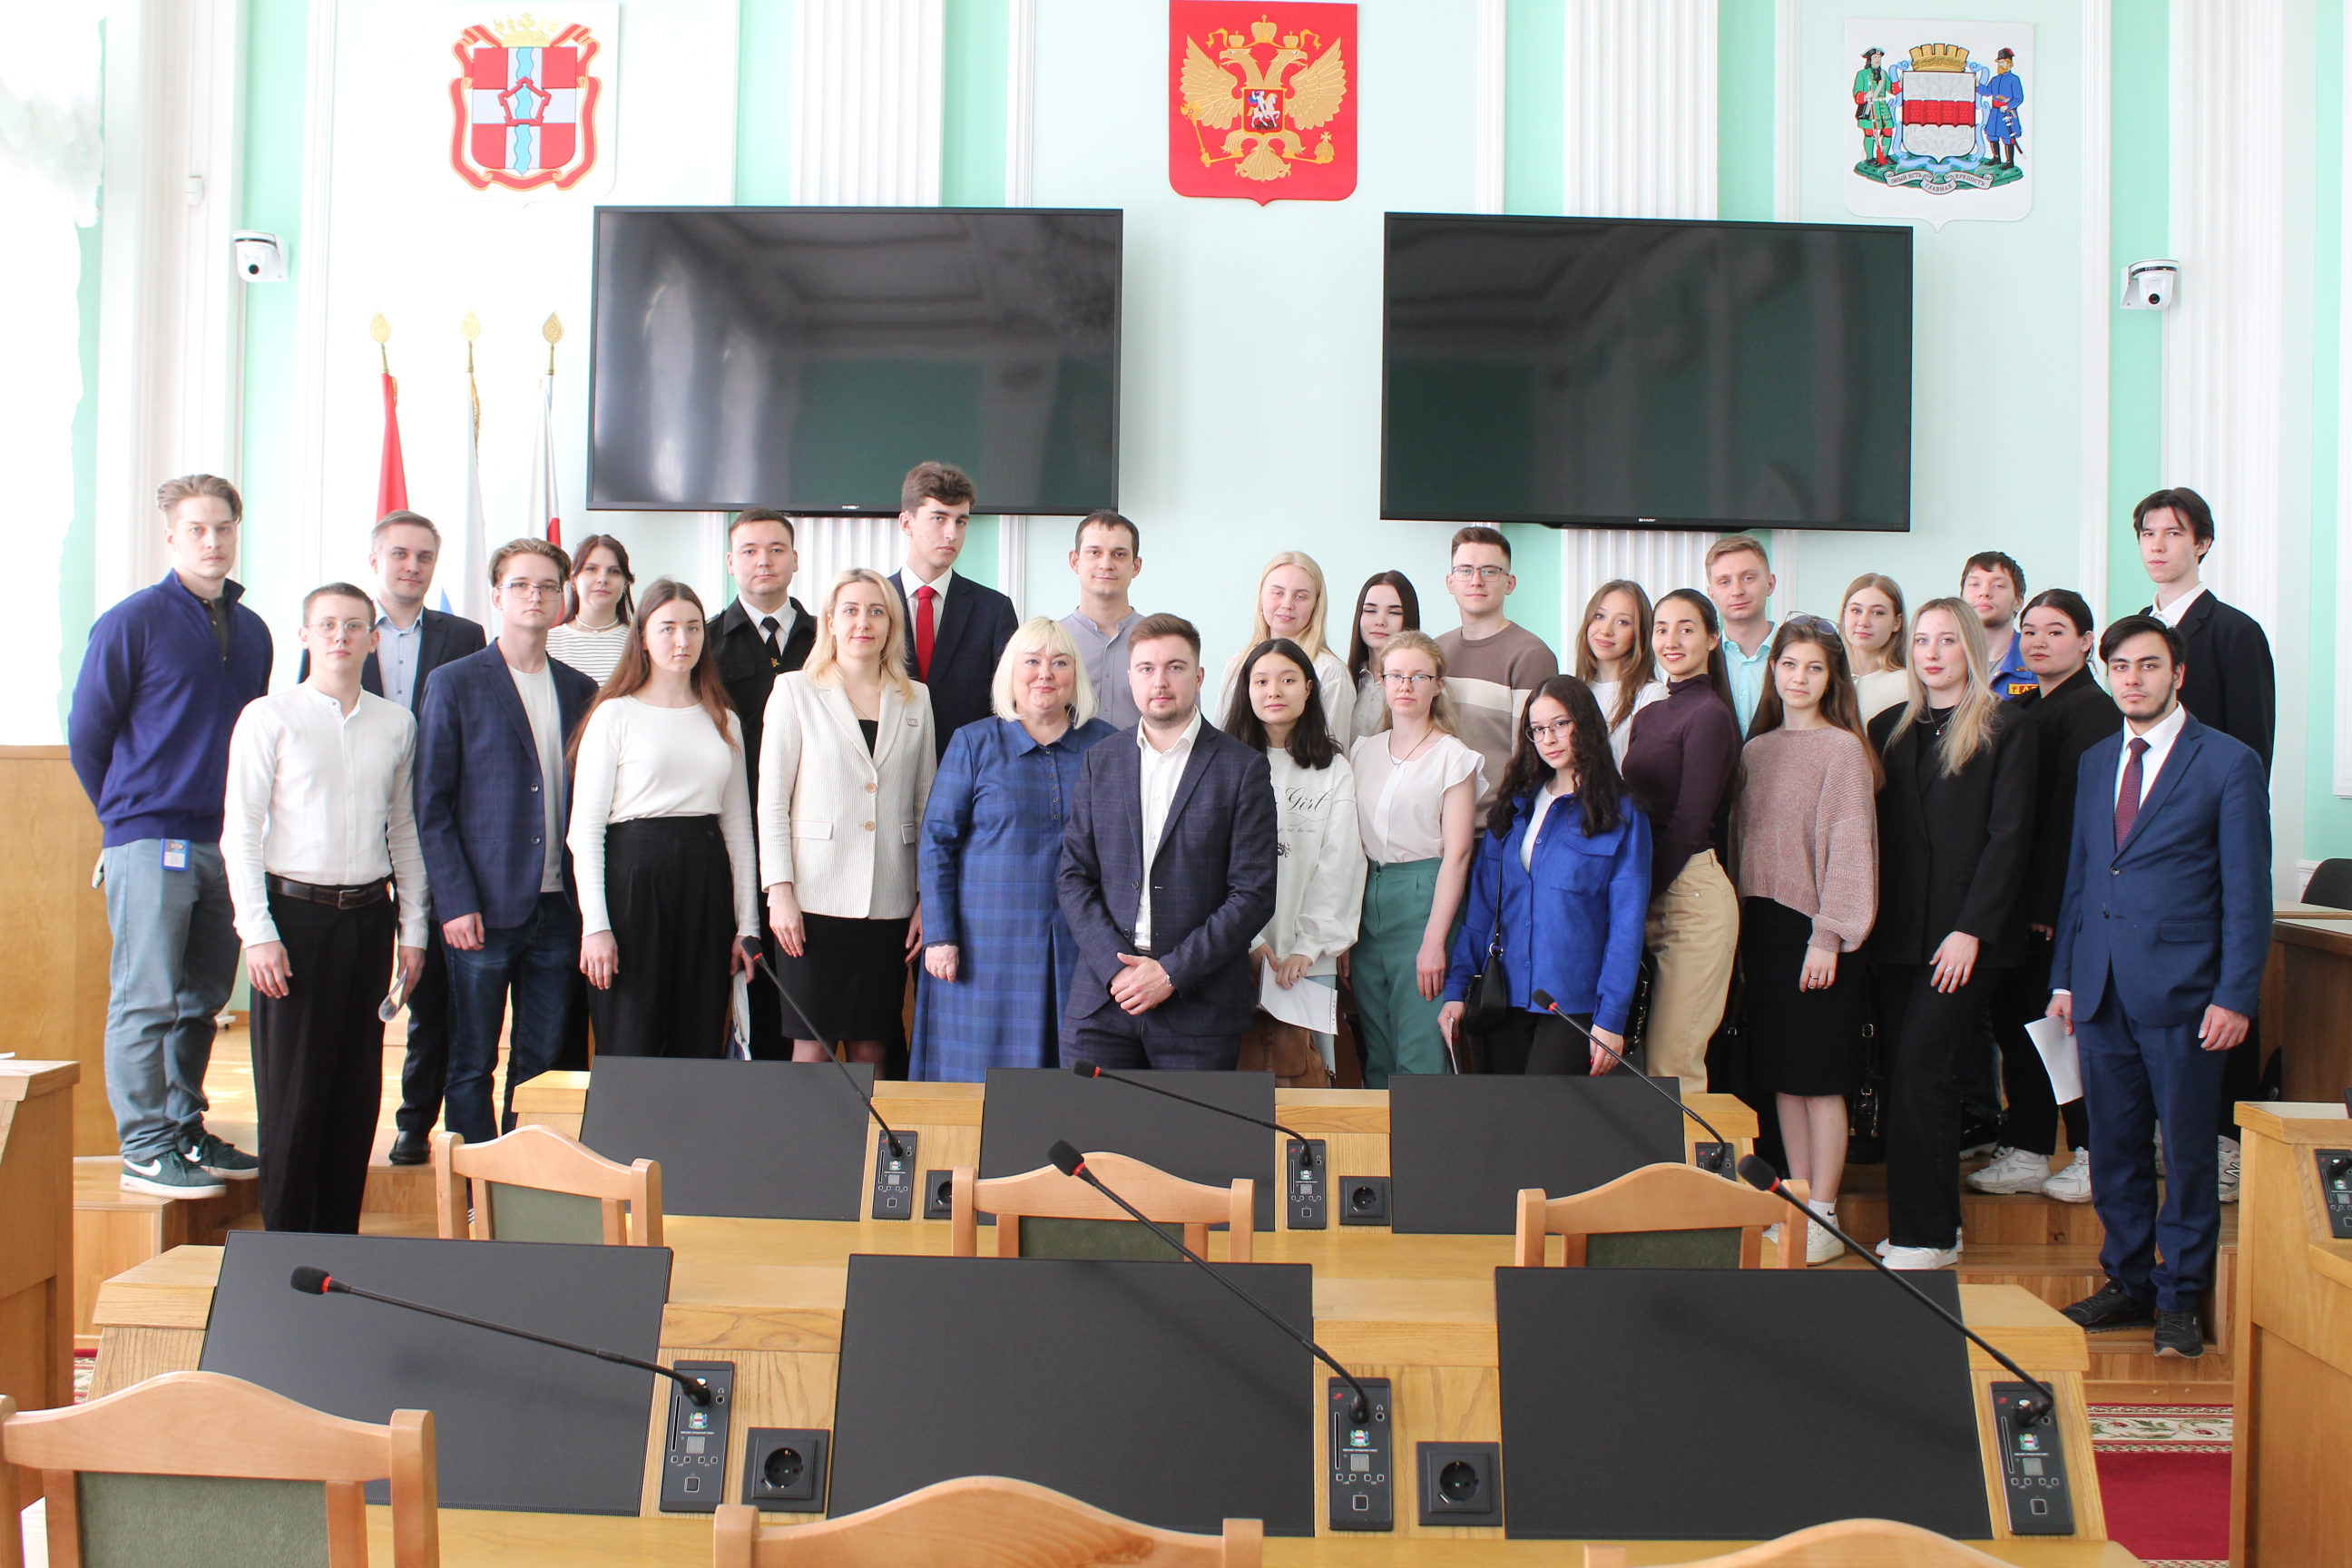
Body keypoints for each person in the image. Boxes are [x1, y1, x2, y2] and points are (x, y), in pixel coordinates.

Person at [2052, 616, 2269, 1360]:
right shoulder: (2096, 760)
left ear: (2177, 675)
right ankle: (2130, 1282)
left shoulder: (2228, 763)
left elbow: (2247, 893)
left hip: (2187, 993)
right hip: (2100, 989)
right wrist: (2065, 978)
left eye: (2148, 665)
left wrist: (2235, 995)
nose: (2133, 679)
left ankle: (2179, 1297)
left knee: (2186, 1152)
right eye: (2120, 666)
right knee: (2113, 1150)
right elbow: (2083, 876)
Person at [68, 474, 271, 1198]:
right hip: (149, 837)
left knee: (202, 1001)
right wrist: (125, 818)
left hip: (224, 843)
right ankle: (144, 1148)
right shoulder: (132, 621)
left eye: (223, 528)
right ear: (171, 538)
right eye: (197, 530)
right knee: (146, 998)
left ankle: (183, 1128)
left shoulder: (254, 631)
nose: (212, 541)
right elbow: (88, 733)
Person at [221, 583, 428, 1233]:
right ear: (305, 635)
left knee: (355, 1093)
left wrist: (414, 930)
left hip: (368, 920)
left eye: (355, 625)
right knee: (294, 1096)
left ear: (373, 638)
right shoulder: (269, 717)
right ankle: (282, 1249)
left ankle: (340, 1241)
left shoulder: (396, 724)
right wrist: (257, 933)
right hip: (293, 923)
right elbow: (240, 831)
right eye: (328, 624)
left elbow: (404, 833)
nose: (341, 636)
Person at [299, 512, 486, 1168]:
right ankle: (336, 1122)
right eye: (400, 554)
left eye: (425, 556)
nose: (413, 566)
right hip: (354, 825)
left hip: (436, 822)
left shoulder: (464, 635)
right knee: (355, 994)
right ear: (375, 560)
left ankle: (416, 1121)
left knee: (432, 987)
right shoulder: (344, 628)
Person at [1867, 597, 2037, 1269]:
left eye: (1946, 640)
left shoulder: (2006, 726)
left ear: (1971, 647)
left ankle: (1928, 1236)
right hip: (1899, 937)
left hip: (1967, 938)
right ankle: (1930, 1227)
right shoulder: (1887, 727)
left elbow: (2010, 838)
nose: (1932, 653)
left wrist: (1972, 930)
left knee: (1924, 1073)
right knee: (1906, 1076)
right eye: (1922, 641)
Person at [414, 538, 599, 1143]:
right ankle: (476, 1181)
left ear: (562, 598)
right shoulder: (455, 682)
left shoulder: (580, 689)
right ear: (497, 596)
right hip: (481, 909)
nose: (534, 596)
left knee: (540, 1062)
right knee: (471, 1060)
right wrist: (454, 900)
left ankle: (523, 1181)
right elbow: (431, 805)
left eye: (546, 586)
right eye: (520, 584)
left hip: (559, 908)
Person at [2134, 486, 2277, 1201]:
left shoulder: (2235, 632)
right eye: (2147, 533)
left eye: (2173, 533)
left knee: (2223, 989)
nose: (2158, 546)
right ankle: (2172, 1133)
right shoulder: (2136, 635)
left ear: (2203, 544)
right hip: (2143, 851)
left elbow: (2252, 752)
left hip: (2211, 847)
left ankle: (2227, 1144)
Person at [1057, 614, 1279, 1070]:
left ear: (1198, 677)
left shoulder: (1243, 768)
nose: (1160, 681)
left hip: (1199, 1005)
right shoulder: (1101, 761)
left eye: (1175, 667)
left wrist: (1171, 973)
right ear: (1130, 678)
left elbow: (1253, 895)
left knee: (1188, 1123)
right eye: (1146, 668)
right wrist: (1116, 969)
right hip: (1103, 1000)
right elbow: (1074, 877)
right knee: (1086, 1120)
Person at [1732, 618, 1880, 1265]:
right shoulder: (1755, 751)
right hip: (1761, 930)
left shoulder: (1843, 750)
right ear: (1774, 670)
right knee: (1784, 1081)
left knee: (1820, 1080)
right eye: (1790, 665)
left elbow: (1850, 847)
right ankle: (1797, 1203)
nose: (1799, 678)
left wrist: (1829, 935)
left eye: (1814, 667)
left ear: (1831, 678)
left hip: (1815, 931)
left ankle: (1826, 1212)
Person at [913, 619, 1116, 1080]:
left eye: (1059, 663)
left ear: (1075, 676)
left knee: (1069, 1078)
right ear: (1011, 672)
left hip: (1079, 945)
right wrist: (940, 936)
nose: (1045, 674)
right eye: (1032, 661)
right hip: (983, 946)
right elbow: (937, 842)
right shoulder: (974, 742)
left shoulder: (1107, 744)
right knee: (978, 1078)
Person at [568, 580, 760, 1059]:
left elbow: (738, 828)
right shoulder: (614, 715)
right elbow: (585, 832)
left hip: (706, 880)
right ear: (642, 637)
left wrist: (747, 925)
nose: (682, 640)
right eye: (668, 627)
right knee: (631, 1036)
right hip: (634, 879)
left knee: (698, 1034)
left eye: (693, 628)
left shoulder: (723, 718)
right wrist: (596, 926)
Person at [1971, 589, 2118, 1204]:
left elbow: (2073, 822)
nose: (2038, 641)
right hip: (2022, 903)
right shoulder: (2026, 704)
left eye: (2056, 631)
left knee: (2063, 1033)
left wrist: (2050, 908)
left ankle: (2091, 1153)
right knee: (2021, 1027)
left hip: (2058, 909)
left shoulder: (2092, 711)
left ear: (2086, 642)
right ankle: (2028, 1147)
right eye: (2030, 630)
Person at [759, 568, 937, 1063]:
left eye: (876, 612)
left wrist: (927, 898)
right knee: (811, 1045)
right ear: (831, 621)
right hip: (812, 900)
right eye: (851, 611)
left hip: (889, 900)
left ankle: (866, 1124)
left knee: (873, 1043)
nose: (864, 622)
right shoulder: (794, 690)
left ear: (891, 625)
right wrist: (779, 891)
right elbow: (772, 801)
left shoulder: (916, 697)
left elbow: (926, 806)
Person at [1437, 677, 1649, 1076]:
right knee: (1503, 1113)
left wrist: (1612, 1017)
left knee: (1548, 1112)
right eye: (1537, 729)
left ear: (1585, 724)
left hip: (1575, 1003)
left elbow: (1627, 923)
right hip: (1503, 997)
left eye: (1560, 724)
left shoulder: (1622, 814)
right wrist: (1457, 990)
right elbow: (1482, 910)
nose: (1548, 739)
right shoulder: (1513, 808)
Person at [1221, 639, 1365, 1082]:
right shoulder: (1222, 762)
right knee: (1237, 1080)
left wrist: (1307, 946)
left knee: (1310, 1075)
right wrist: (1249, 943)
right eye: (1261, 681)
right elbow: (1211, 863)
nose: (1274, 691)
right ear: (1246, 690)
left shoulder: (1333, 768)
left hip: (1308, 961)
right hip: (1233, 952)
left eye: (1287, 680)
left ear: (1308, 688)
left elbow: (1340, 862)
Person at [1620, 590, 1743, 1093]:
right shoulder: (1649, 715)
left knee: (1673, 1066)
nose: (1671, 640)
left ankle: (1689, 1153)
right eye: (1662, 629)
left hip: (1692, 899)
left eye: (1686, 629)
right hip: (1650, 887)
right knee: (1639, 1063)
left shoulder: (1710, 715)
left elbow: (1690, 824)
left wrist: (1637, 894)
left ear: (1712, 639)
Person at [1348, 631, 1483, 1085]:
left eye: (1418, 676)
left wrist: (1434, 941)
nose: (1405, 686)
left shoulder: (1454, 757)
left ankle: (1423, 1133)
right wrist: (1345, 932)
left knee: (1419, 1050)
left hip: (1424, 897)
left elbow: (1458, 855)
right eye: (1395, 676)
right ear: (1382, 682)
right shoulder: (1363, 751)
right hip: (1368, 899)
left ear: (1438, 684)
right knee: (1377, 1050)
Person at [711, 509, 815, 1060]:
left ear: (795, 560)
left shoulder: (830, 638)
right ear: (731, 562)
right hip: (732, 840)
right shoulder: (703, 641)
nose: (764, 561)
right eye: (750, 550)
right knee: (744, 985)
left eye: (776, 549)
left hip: (815, 844)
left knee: (805, 991)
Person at [887, 460, 1020, 757]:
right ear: (907, 523)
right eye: (939, 518)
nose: (952, 533)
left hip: (968, 767)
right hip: (886, 768)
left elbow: (1008, 705)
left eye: (961, 521)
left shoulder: (994, 609)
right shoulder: (873, 605)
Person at [1435, 526, 1558, 808]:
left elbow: (1531, 759)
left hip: (1496, 823)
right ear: (1450, 582)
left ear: (1510, 583)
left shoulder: (1531, 655)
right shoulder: (1435, 652)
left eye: (1490, 571)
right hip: (1435, 818)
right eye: (1465, 570)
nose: (1476, 581)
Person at [1216, 553, 1356, 750]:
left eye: (1300, 596)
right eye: (1278, 593)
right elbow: (1220, 743)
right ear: (1261, 599)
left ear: (1316, 605)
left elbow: (1331, 754)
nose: (1287, 604)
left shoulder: (1330, 672)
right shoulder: (1236, 665)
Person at [1061, 510, 1145, 730]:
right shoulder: (1052, 641)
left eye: (1119, 554)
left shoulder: (1158, 642)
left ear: (1136, 566)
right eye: (1094, 552)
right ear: (1075, 561)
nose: (1106, 564)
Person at [1573, 578, 1667, 762]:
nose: (1606, 630)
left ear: (1639, 633)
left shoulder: (1652, 695)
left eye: (1623, 622)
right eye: (1599, 616)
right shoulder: (1578, 692)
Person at [1705, 536, 1777, 731]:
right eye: (1724, 582)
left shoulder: (1799, 655)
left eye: (1748, 578)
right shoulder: (1699, 661)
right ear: (1712, 594)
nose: (1737, 591)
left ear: (1770, 584)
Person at [545, 534, 637, 683]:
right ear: (574, 580)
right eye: (591, 569)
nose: (603, 579)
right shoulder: (547, 642)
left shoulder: (640, 644)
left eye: (614, 571)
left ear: (626, 583)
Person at [1347, 570, 1419, 740]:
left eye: (1394, 612)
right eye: (1370, 610)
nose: (1380, 621)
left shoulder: (1420, 685)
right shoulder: (1346, 679)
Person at [1962, 552, 2035, 700]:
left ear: (2018, 602)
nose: (1984, 592)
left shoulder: (2037, 659)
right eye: (1975, 584)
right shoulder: (1943, 659)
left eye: (1998, 585)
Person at [1841, 573, 1910, 724]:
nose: (1863, 622)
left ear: (1897, 622)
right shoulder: (1824, 675)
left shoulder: (1907, 685)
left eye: (1878, 613)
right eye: (1856, 610)